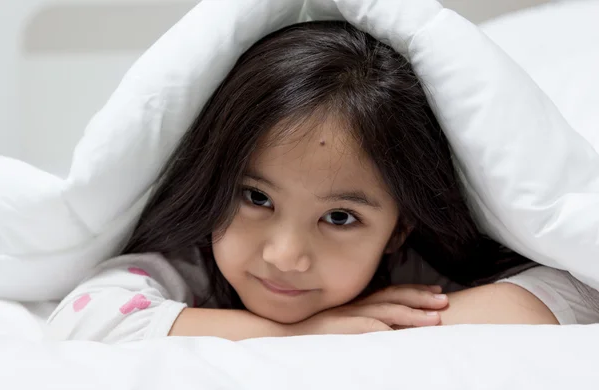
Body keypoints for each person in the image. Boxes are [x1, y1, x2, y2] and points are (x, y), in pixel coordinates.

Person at [48, 21, 599, 344]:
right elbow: (83, 317)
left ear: (398, 227)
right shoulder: (192, 265)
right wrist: (306, 332)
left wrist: (374, 325)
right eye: (256, 197)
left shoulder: (415, 277)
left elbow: (578, 290)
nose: (284, 255)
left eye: (340, 217)